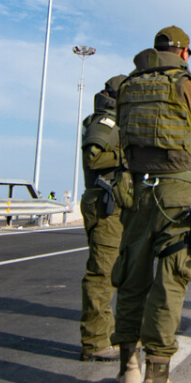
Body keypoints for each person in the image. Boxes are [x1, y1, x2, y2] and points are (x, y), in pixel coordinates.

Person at [111, 26, 191, 383]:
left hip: (135, 192)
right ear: (182, 53)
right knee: (170, 281)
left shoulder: (128, 87)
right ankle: (156, 380)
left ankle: (128, 367)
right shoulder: (190, 86)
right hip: (177, 194)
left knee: (131, 279)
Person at [79, 75, 128, 362]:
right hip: (104, 203)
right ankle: (95, 342)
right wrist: (127, 156)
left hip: (114, 204)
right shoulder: (105, 123)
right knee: (103, 273)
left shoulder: (114, 122)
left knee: (114, 272)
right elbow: (93, 159)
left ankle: (105, 336)